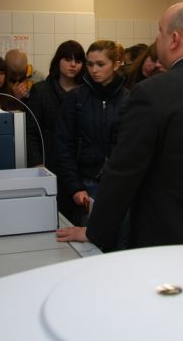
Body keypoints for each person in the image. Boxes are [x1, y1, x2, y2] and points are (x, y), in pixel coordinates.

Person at [56, 2, 183, 252]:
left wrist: (95, 230)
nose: (157, 39)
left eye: (159, 31)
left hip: (170, 243)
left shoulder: (151, 93)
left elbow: (124, 171)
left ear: (174, 39)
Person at [56, 40, 129, 229]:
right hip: (87, 183)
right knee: (90, 238)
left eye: (101, 64)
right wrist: (75, 186)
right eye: (90, 64)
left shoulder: (129, 99)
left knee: (121, 238)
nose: (94, 70)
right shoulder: (76, 98)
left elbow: (133, 145)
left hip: (120, 184)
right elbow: (64, 144)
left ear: (116, 64)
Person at [26, 40, 86, 222]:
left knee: (79, 218)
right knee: (50, 217)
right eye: (68, 59)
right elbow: (31, 131)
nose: (73, 65)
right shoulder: (41, 90)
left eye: (78, 61)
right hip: (50, 163)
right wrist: (37, 163)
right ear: (58, 61)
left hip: (80, 165)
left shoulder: (86, 92)